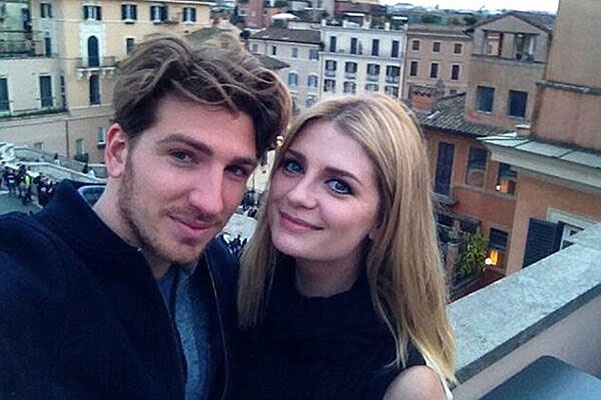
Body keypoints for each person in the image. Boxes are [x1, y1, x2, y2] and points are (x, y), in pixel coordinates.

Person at [0, 35, 290, 400]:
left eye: (235, 170)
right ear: (118, 152)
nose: (211, 203)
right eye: (183, 156)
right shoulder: (23, 282)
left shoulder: (220, 271)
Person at [236, 94, 456, 400]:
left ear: (383, 221)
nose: (298, 195)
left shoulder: (407, 385)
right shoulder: (233, 292)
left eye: (339, 185)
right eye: (293, 166)